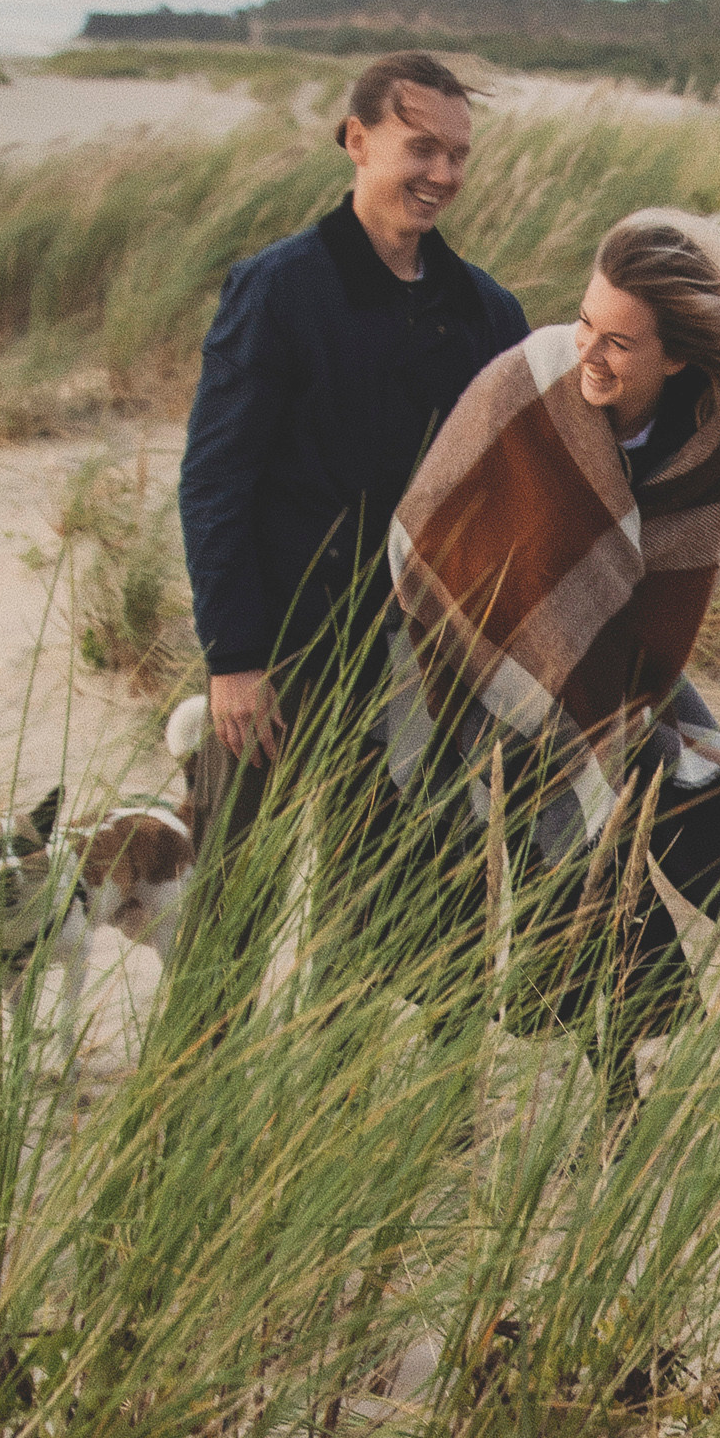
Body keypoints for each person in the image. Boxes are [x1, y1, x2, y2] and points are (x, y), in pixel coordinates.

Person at [385, 206, 720, 1079]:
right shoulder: (526, 382)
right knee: (452, 870)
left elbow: (664, 623)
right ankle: (448, 1075)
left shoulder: (704, 456)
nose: (588, 351)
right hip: (452, 656)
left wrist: (602, 704)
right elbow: (431, 533)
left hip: (605, 674)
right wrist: (534, 669)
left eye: (619, 343)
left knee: (681, 794)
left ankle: (622, 1061)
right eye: (586, 322)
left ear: (675, 357)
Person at [176, 49, 528, 908]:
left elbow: (508, 490)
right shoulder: (276, 290)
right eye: (421, 148)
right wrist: (235, 658)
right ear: (357, 140)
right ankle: (208, 1051)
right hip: (281, 651)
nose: (443, 174)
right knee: (231, 908)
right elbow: (214, 481)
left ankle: (335, 1046)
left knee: (373, 916)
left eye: (458, 155)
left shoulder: (488, 312)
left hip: (415, 665)